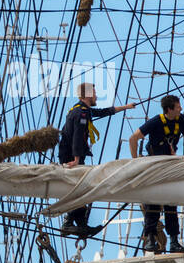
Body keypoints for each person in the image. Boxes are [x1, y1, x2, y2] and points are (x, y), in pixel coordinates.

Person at [57, 83, 136, 238]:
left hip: (69, 154)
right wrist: (76, 159)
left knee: (81, 189)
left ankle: (81, 226)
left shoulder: (79, 109)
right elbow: (78, 137)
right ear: (87, 95)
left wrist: (126, 107)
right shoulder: (82, 113)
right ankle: (68, 223)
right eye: (94, 92)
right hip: (71, 156)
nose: (96, 95)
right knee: (81, 190)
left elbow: (103, 112)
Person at [128, 95, 184, 254]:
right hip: (154, 166)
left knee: (172, 203)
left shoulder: (181, 120)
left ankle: (173, 241)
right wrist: (136, 161)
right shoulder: (156, 121)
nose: (180, 109)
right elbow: (133, 138)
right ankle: (150, 238)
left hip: (170, 166)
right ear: (169, 109)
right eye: (178, 107)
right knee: (153, 203)